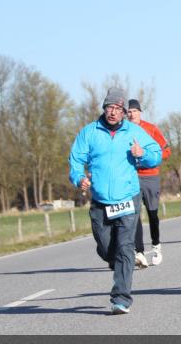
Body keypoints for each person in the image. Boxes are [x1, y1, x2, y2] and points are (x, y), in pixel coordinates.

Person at [69, 88, 162, 314]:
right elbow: (76, 159)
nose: (112, 112)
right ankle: (115, 259)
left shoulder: (134, 132)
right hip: (100, 201)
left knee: (125, 247)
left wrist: (142, 154)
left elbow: (156, 154)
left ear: (123, 112)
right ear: (104, 109)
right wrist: (79, 177)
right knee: (105, 247)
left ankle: (121, 298)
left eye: (117, 109)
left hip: (128, 198)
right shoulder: (90, 132)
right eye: (109, 107)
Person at [126, 99, 171, 267]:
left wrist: (151, 158)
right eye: (129, 111)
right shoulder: (124, 131)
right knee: (134, 214)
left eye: (134, 111)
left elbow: (166, 150)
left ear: (140, 112)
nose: (132, 114)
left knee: (152, 214)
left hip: (150, 176)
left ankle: (156, 246)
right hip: (132, 176)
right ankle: (139, 252)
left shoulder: (151, 129)